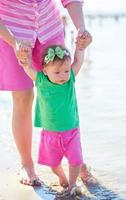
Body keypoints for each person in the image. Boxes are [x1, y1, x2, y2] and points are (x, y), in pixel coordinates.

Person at [0, 0, 93, 186]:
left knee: (61, 91)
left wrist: (81, 27)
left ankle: (75, 158)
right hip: (10, 31)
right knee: (23, 97)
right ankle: (26, 164)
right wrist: (13, 41)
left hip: (49, 28)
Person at [21, 44, 86, 197]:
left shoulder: (69, 79)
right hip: (50, 133)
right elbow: (28, 69)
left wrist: (80, 49)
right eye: (56, 72)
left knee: (76, 160)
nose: (62, 75)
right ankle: (62, 177)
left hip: (72, 131)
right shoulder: (41, 80)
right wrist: (26, 61)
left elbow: (79, 62)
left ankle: (72, 184)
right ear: (45, 71)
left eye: (65, 70)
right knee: (53, 164)